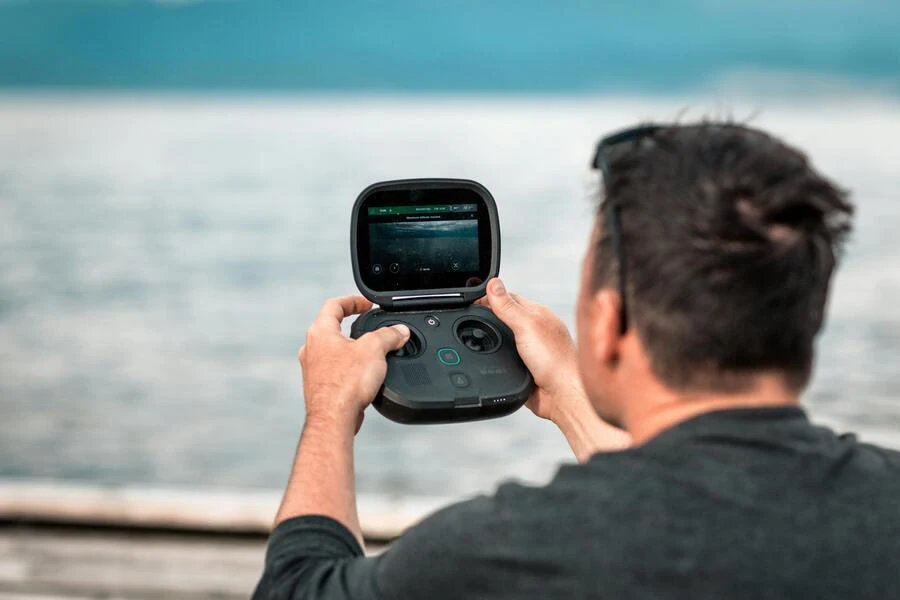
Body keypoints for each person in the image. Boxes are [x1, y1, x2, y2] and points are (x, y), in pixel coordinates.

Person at [252, 123, 900, 599]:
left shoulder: (503, 552)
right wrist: (565, 395)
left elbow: (297, 589)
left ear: (609, 320)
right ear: (807, 316)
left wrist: (331, 412)